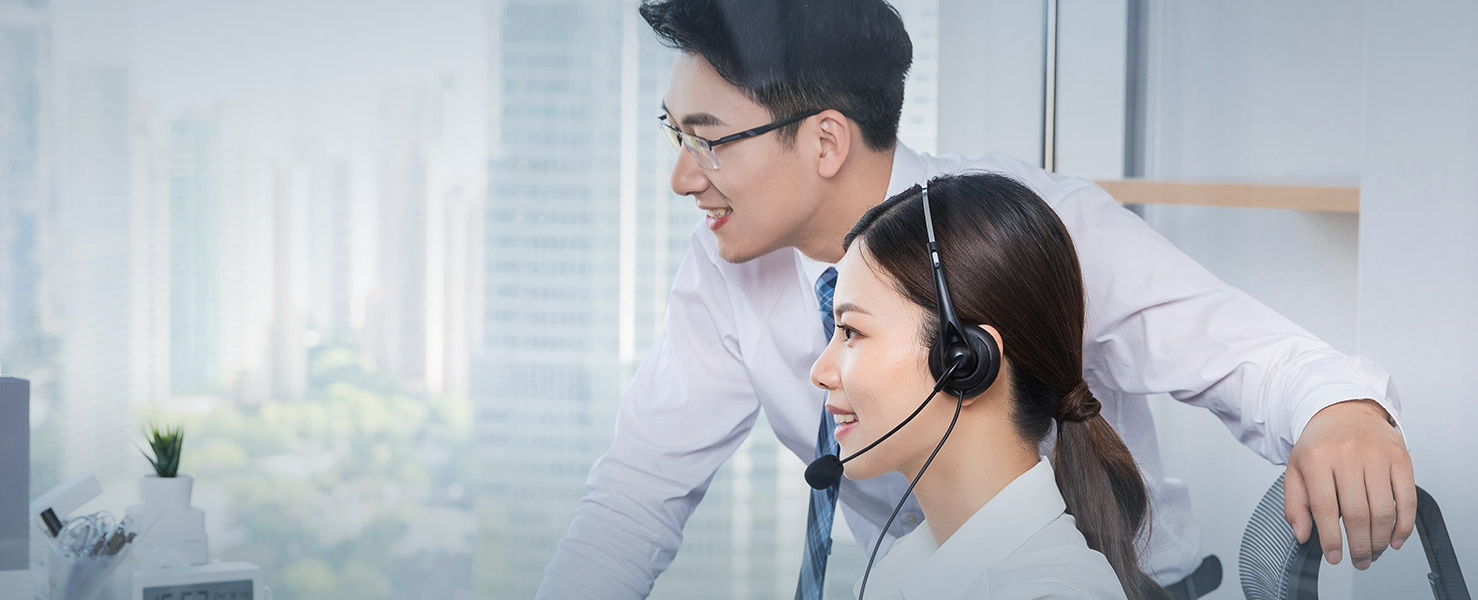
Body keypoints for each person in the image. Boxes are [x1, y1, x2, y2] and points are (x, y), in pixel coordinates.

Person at [536, 0, 1413, 598]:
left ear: (826, 142)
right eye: (675, 134)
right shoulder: (726, 263)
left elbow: (1247, 353)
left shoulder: (1024, 226)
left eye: (710, 141)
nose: (683, 176)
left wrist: (1341, 409)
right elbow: (638, 491)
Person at [814, 172, 1164, 599]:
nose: (820, 371)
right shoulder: (907, 568)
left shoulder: (1048, 593)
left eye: (852, 332)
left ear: (963, 360)